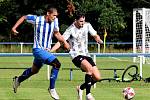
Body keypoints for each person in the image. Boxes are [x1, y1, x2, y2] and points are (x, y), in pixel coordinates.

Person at [11, 6, 70, 100]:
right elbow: (24, 17)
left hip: (45, 51)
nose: (55, 17)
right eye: (53, 15)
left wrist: (65, 42)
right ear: (48, 13)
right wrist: (14, 28)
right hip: (38, 50)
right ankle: (52, 88)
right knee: (57, 64)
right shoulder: (37, 19)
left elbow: (56, 33)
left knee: (34, 71)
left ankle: (18, 80)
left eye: (56, 16)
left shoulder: (55, 21)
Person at [51, 12, 103, 100]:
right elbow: (61, 41)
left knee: (97, 77)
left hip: (86, 54)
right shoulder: (70, 29)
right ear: (76, 20)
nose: (83, 23)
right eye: (81, 21)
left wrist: (98, 39)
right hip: (75, 55)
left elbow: (95, 35)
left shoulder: (87, 25)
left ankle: (81, 88)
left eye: (84, 21)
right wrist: (51, 50)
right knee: (89, 69)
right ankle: (88, 94)